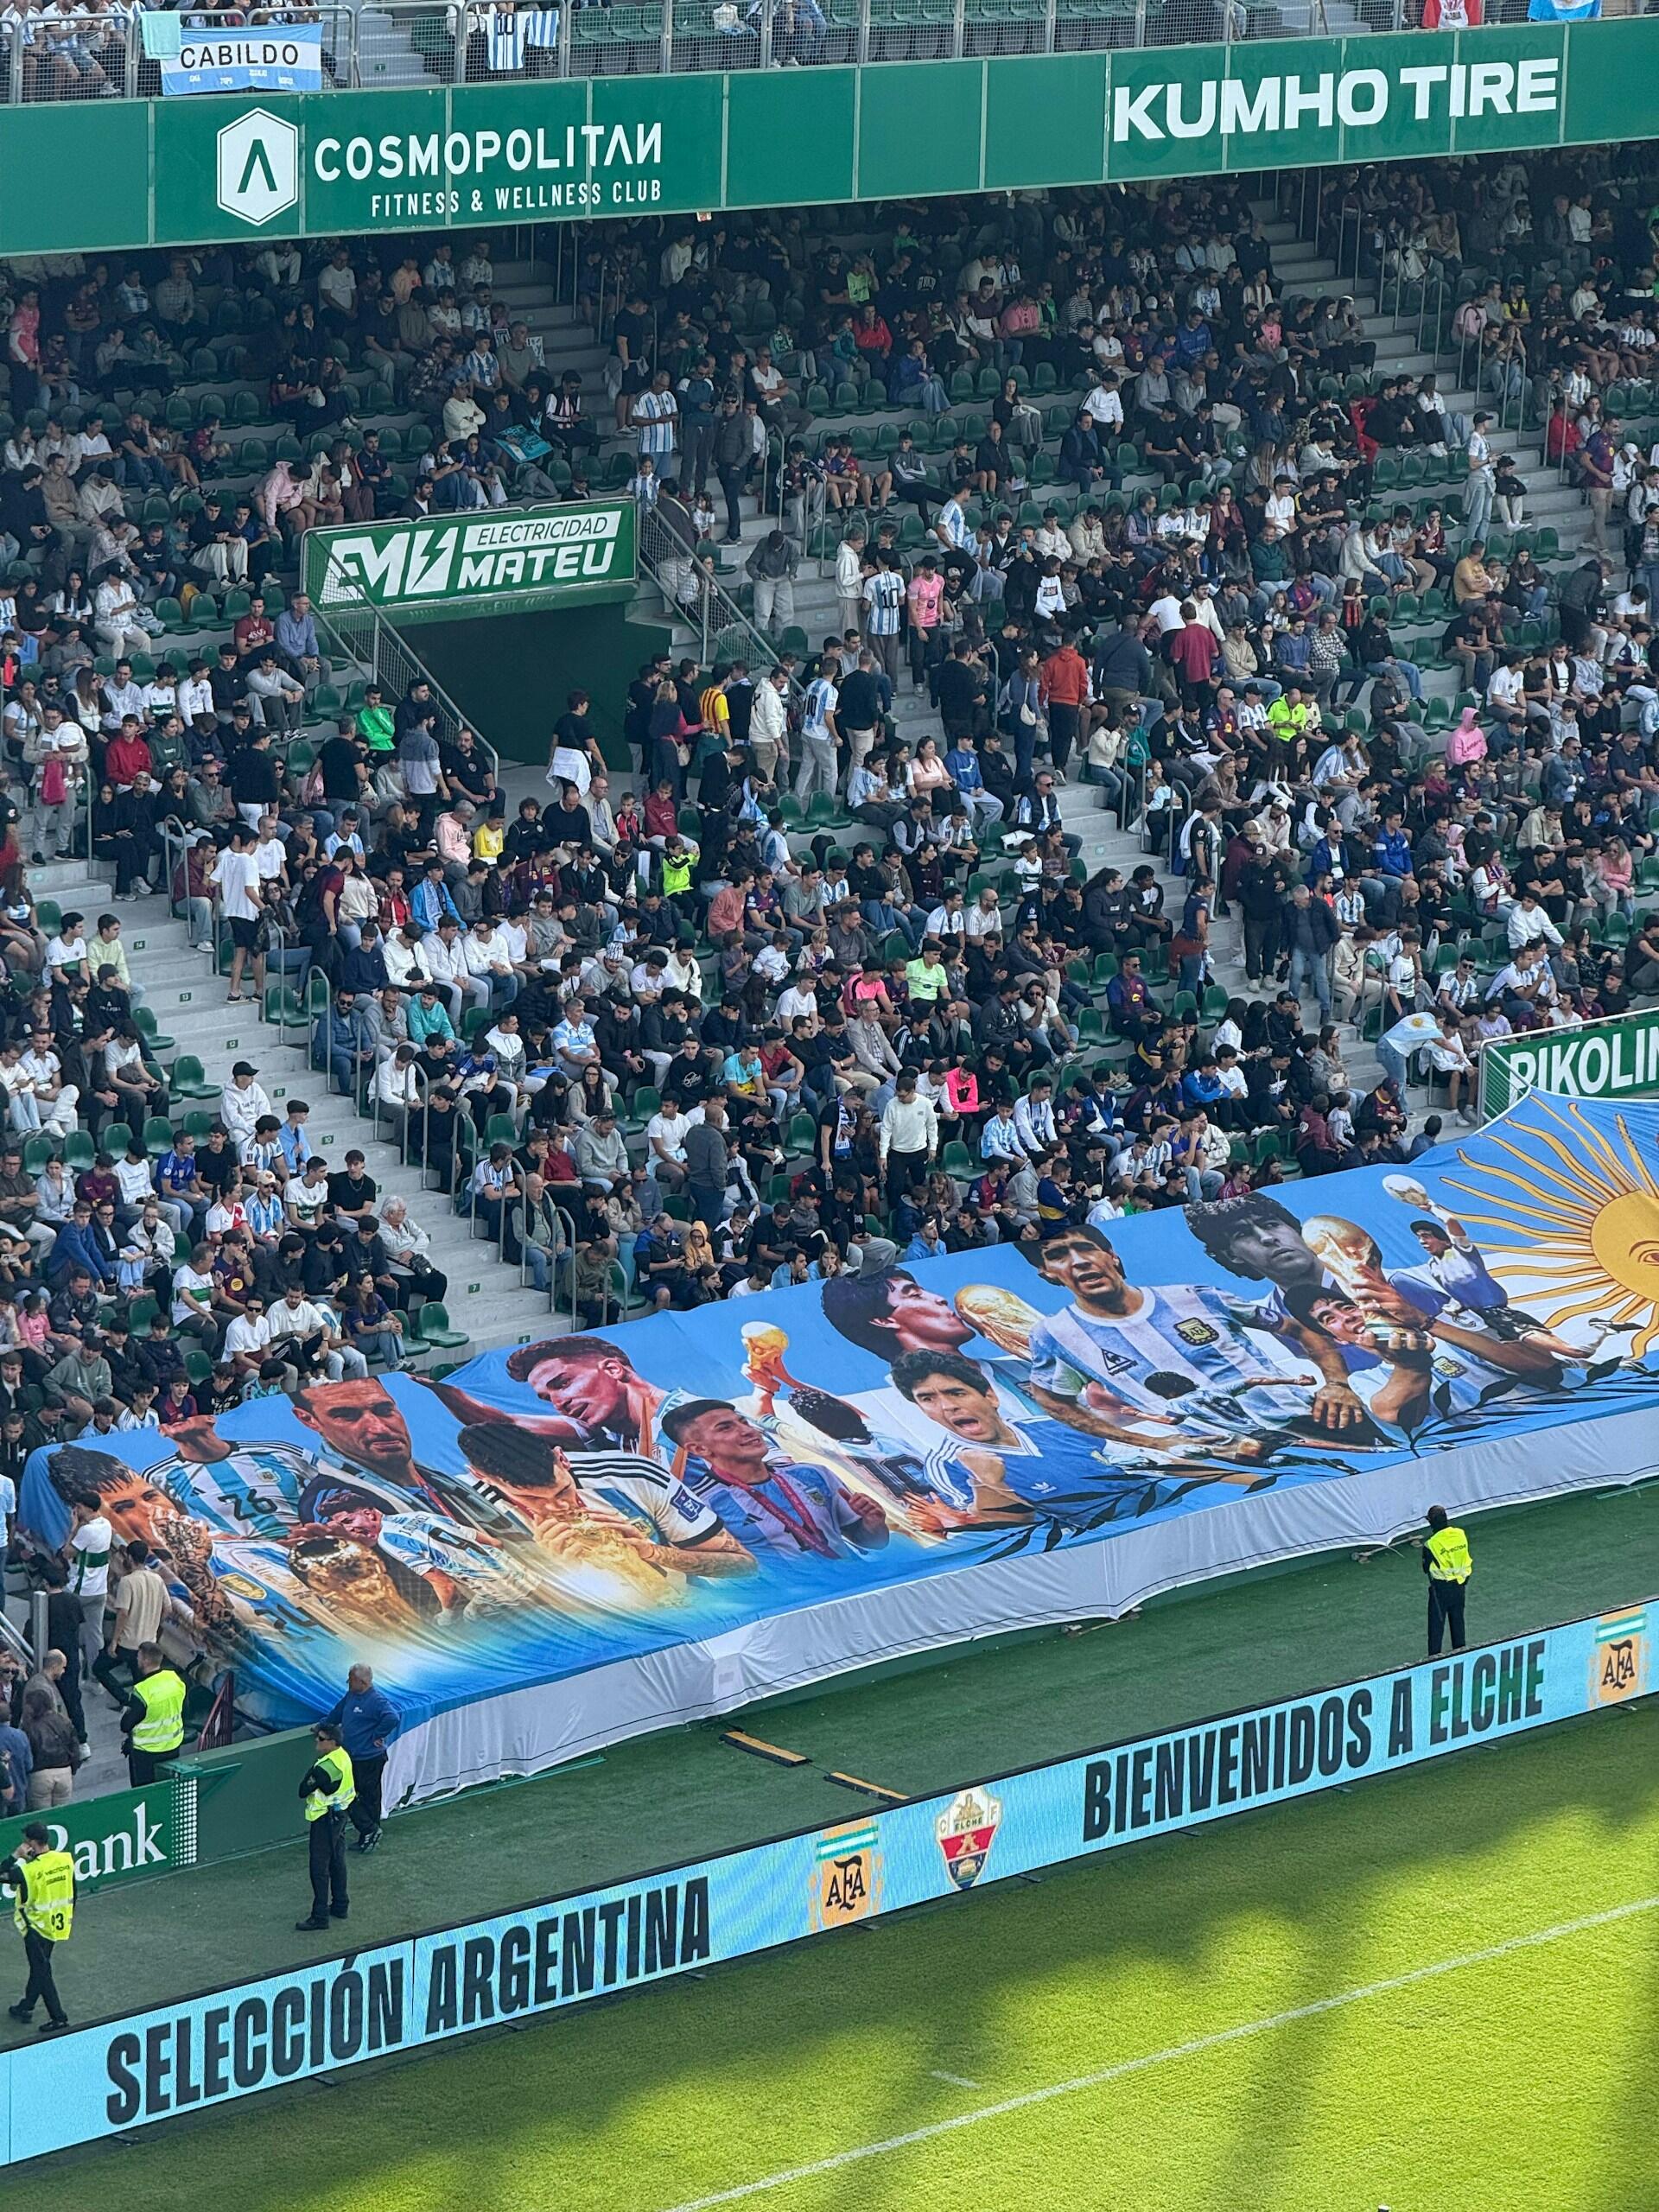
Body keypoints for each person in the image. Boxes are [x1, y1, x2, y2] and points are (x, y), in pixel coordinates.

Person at [2, 1822, 74, 2034]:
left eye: (26, 1841)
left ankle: (59, 2017)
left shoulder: (29, 1870)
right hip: (55, 1924)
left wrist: (16, 1855)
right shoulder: (64, 1860)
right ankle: (27, 2006)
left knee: (42, 1971)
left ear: (33, 1843)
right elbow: (73, 1891)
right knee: (40, 1967)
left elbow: (1, 1872)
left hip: (35, 1928)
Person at [323, 1662, 399, 1853]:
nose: (348, 1682)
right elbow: (337, 1714)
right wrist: (323, 1726)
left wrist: (377, 1735)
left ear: (362, 1681)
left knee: (365, 1797)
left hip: (369, 1758)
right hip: (354, 1756)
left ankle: (369, 1830)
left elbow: (392, 1718)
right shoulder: (351, 1696)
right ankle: (371, 1830)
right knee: (354, 1796)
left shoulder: (376, 1700)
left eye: (351, 1679)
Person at [296, 1719, 355, 1931]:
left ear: (332, 1742)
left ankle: (319, 1916)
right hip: (340, 1816)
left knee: (319, 1867)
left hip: (324, 1819)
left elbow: (303, 1790)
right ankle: (340, 1905)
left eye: (320, 1739)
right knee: (338, 1860)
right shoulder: (343, 1757)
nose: (316, 1741)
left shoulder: (323, 1767)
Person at [117, 1641, 186, 1787]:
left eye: (139, 1657)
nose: (137, 1660)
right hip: (173, 1746)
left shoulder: (143, 1691)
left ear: (146, 1661)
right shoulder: (174, 1679)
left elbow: (126, 1725)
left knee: (144, 1793)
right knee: (168, 1788)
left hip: (146, 1752)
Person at [1421, 1503, 1472, 1655]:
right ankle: (1461, 1652)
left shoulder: (1431, 1544)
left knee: (1436, 1627)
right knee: (1458, 1622)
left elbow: (1425, 1569)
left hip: (1441, 1589)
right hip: (1460, 1585)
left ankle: (1434, 1659)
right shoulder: (1460, 1534)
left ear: (1431, 1522)